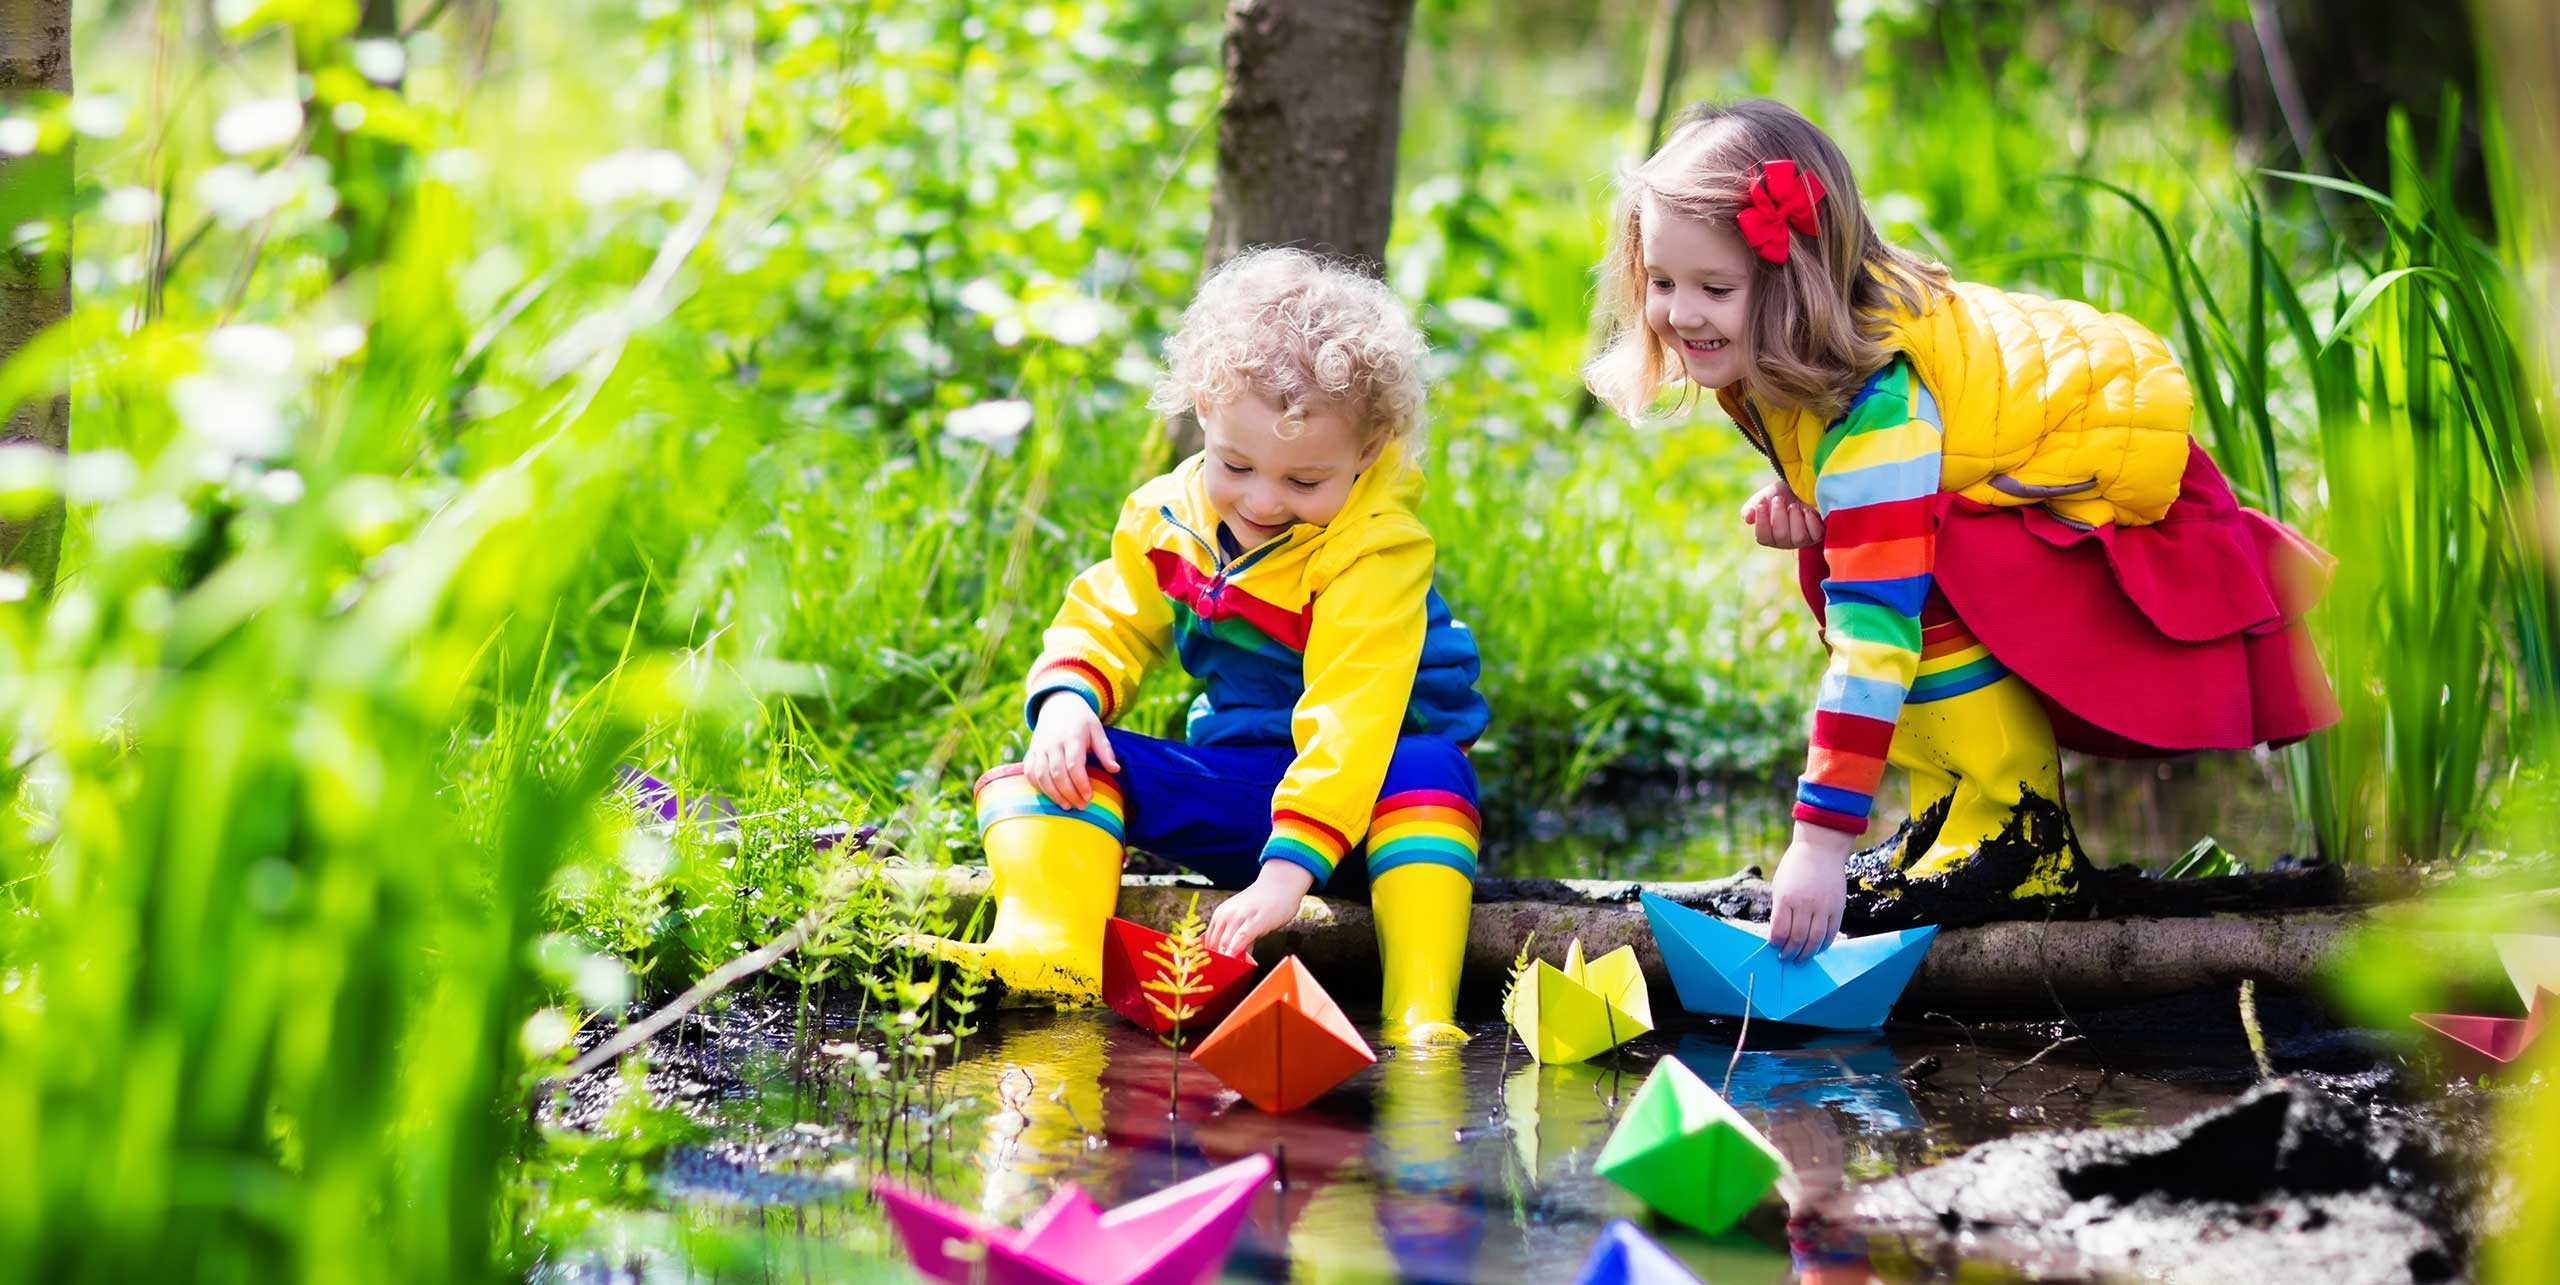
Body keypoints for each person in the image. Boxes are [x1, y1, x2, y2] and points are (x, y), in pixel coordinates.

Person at [1586, 100, 2337, 958]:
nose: (1682, 315)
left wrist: (1820, 842)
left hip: (2094, 470)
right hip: (1994, 462)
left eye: (1715, 288)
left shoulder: (1881, 407)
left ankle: (2018, 829)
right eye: (1663, 283)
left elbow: (1877, 633)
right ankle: (1950, 813)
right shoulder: (1773, 350)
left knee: (1906, 577)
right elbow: (1840, 467)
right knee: (1854, 554)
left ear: (1797, 284)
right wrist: (1807, 496)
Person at [920, 246, 1489, 1044]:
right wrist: (1067, 701)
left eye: (1303, 482)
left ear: (1368, 452)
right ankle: (1048, 958)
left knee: (1425, 761)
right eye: (1237, 463)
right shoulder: (1166, 518)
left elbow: (1350, 720)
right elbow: (1107, 617)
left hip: (1375, 813)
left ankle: (1419, 1014)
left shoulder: (1376, 549)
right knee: (1067, 758)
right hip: (1250, 794)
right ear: (1202, 411)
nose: (1262, 498)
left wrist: (1286, 877)